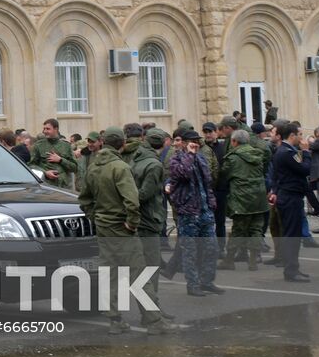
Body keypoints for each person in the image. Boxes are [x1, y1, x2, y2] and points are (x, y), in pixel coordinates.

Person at [79, 126, 168, 333]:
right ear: (122, 143)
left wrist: (96, 218)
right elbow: (132, 200)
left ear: (104, 142)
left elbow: (84, 200)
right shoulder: (120, 167)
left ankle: (115, 320)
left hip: (104, 227)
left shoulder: (93, 167)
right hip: (122, 228)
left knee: (109, 274)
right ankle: (154, 321)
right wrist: (132, 223)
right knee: (139, 274)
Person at [167, 130, 222, 296]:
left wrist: (211, 202)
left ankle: (207, 281)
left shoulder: (201, 158)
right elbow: (184, 173)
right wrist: (190, 155)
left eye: (197, 141)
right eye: (192, 142)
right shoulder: (175, 160)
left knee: (211, 248)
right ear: (184, 143)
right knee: (190, 251)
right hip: (188, 211)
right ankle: (193, 284)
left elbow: (208, 181)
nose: (195, 144)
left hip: (204, 210)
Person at [121, 124, 169, 312]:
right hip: (148, 220)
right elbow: (144, 194)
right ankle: (150, 311)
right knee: (150, 268)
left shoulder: (137, 158)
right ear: (162, 144)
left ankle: (150, 308)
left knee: (142, 268)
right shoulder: (154, 165)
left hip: (138, 219)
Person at [219, 129, 270, 271]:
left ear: (234, 141)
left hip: (241, 198)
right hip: (259, 197)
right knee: (256, 229)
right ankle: (253, 261)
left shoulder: (232, 158)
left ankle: (229, 260)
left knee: (238, 230)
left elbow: (223, 176)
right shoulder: (258, 154)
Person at [271, 121, 313, 282]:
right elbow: (304, 169)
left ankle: (293, 267)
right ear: (292, 135)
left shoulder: (285, 150)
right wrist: (306, 152)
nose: (301, 138)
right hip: (290, 197)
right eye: (299, 135)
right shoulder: (286, 152)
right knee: (292, 235)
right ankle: (291, 270)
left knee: (293, 233)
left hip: (289, 195)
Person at [30, 118, 77, 189]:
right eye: (44, 129)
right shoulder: (38, 145)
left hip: (64, 187)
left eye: (48, 129)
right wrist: (45, 172)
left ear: (56, 129)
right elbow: (31, 165)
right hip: (46, 186)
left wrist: (60, 160)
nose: (45, 131)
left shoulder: (66, 146)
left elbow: (75, 168)